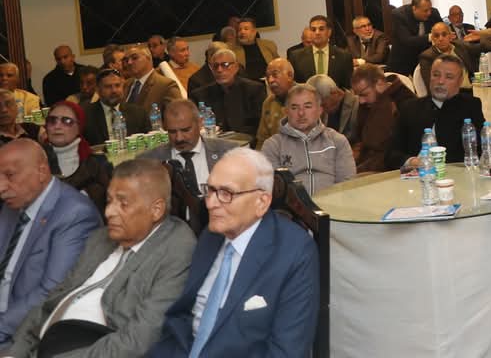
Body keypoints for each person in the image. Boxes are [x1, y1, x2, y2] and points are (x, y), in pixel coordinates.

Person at [7, 159, 195, 357]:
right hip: (40, 346)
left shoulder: (176, 247)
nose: (108, 212)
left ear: (156, 210)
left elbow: (138, 340)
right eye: (109, 201)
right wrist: (15, 353)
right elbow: (53, 300)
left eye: (123, 204)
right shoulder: (101, 239)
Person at [149, 149, 319, 357]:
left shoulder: (294, 252)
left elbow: (286, 352)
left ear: (261, 202)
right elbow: (182, 317)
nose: (210, 203)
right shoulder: (211, 235)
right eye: (210, 190)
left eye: (226, 193)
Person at [0, 140, 101, 348]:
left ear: (42, 171)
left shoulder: (74, 213)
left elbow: (52, 293)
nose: (1, 187)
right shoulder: (13, 205)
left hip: (25, 331)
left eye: (10, 175)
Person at [385, 54, 483, 168]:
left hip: (455, 173)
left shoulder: (470, 106)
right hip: (416, 173)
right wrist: (412, 162)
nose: (440, 81)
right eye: (436, 75)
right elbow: (391, 154)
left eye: (449, 77)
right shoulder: (410, 108)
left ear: (460, 81)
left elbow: (480, 149)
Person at [261, 84, 354, 195]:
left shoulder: (338, 141)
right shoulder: (273, 145)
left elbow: (348, 184)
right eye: (294, 108)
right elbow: (273, 190)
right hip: (291, 205)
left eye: (307, 106)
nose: (301, 113)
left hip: (333, 203)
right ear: (286, 111)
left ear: (320, 110)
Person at [139, 99, 236, 195]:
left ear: (200, 123)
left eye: (185, 130)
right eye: (172, 132)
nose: (179, 138)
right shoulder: (148, 161)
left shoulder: (229, 153)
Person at [43, 100, 112, 216]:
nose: (57, 126)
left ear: (79, 127)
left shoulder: (96, 164)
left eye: (67, 121)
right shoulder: (35, 162)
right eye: (52, 120)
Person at [350, 64, 415, 173]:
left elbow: (393, 152)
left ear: (379, 83)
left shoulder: (404, 102)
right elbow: (359, 140)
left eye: (364, 94)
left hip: (389, 169)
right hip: (363, 164)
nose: (361, 101)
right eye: (358, 96)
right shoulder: (367, 104)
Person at [189, 48, 266, 135]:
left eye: (225, 65)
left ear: (236, 67)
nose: (219, 70)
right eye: (215, 66)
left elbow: (258, 124)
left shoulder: (254, 90)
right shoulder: (199, 95)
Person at [84, 68, 150, 146]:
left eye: (117, 85)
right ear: (98, 90)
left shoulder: (138, 113)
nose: (114, 90)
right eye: (108, 87)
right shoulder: (86, 115)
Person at [291, 15, 353, 88]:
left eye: (321, 29)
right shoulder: (296, 57)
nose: (317, 32)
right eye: (313, 29)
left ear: (329, 32)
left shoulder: (344, 56)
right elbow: (295, 85)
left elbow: (348, 86)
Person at [121, 45, 181, 112]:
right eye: (127, 60)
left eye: (134, 58)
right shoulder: (126, 84)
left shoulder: (166, 85)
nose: (129, 62)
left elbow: (178, 113)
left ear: (148, 58)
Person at [417, 22, 474, 91]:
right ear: (432, 39)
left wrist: (484, 35)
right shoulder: (427, 57)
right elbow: (432, 86)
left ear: (450, 36)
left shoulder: (459, 46)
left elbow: (481, 48)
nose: (440, 39)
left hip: (471, 89)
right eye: (436, 36)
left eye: (444, 34)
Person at [255, 57, 294, 148]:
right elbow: (262, 140)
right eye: (267, 76)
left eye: (275, 74)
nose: (270, 80)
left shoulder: (305, 97)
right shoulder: (268, 102)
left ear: (290, 75)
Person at [231, 17, 279, 82]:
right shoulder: (232, 50)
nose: (242, 32)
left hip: (268, 81)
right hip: (247, 84)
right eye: (239, 30)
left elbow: (278, 64)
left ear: (254, 32)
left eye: (246, 29)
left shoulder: (268, 45)